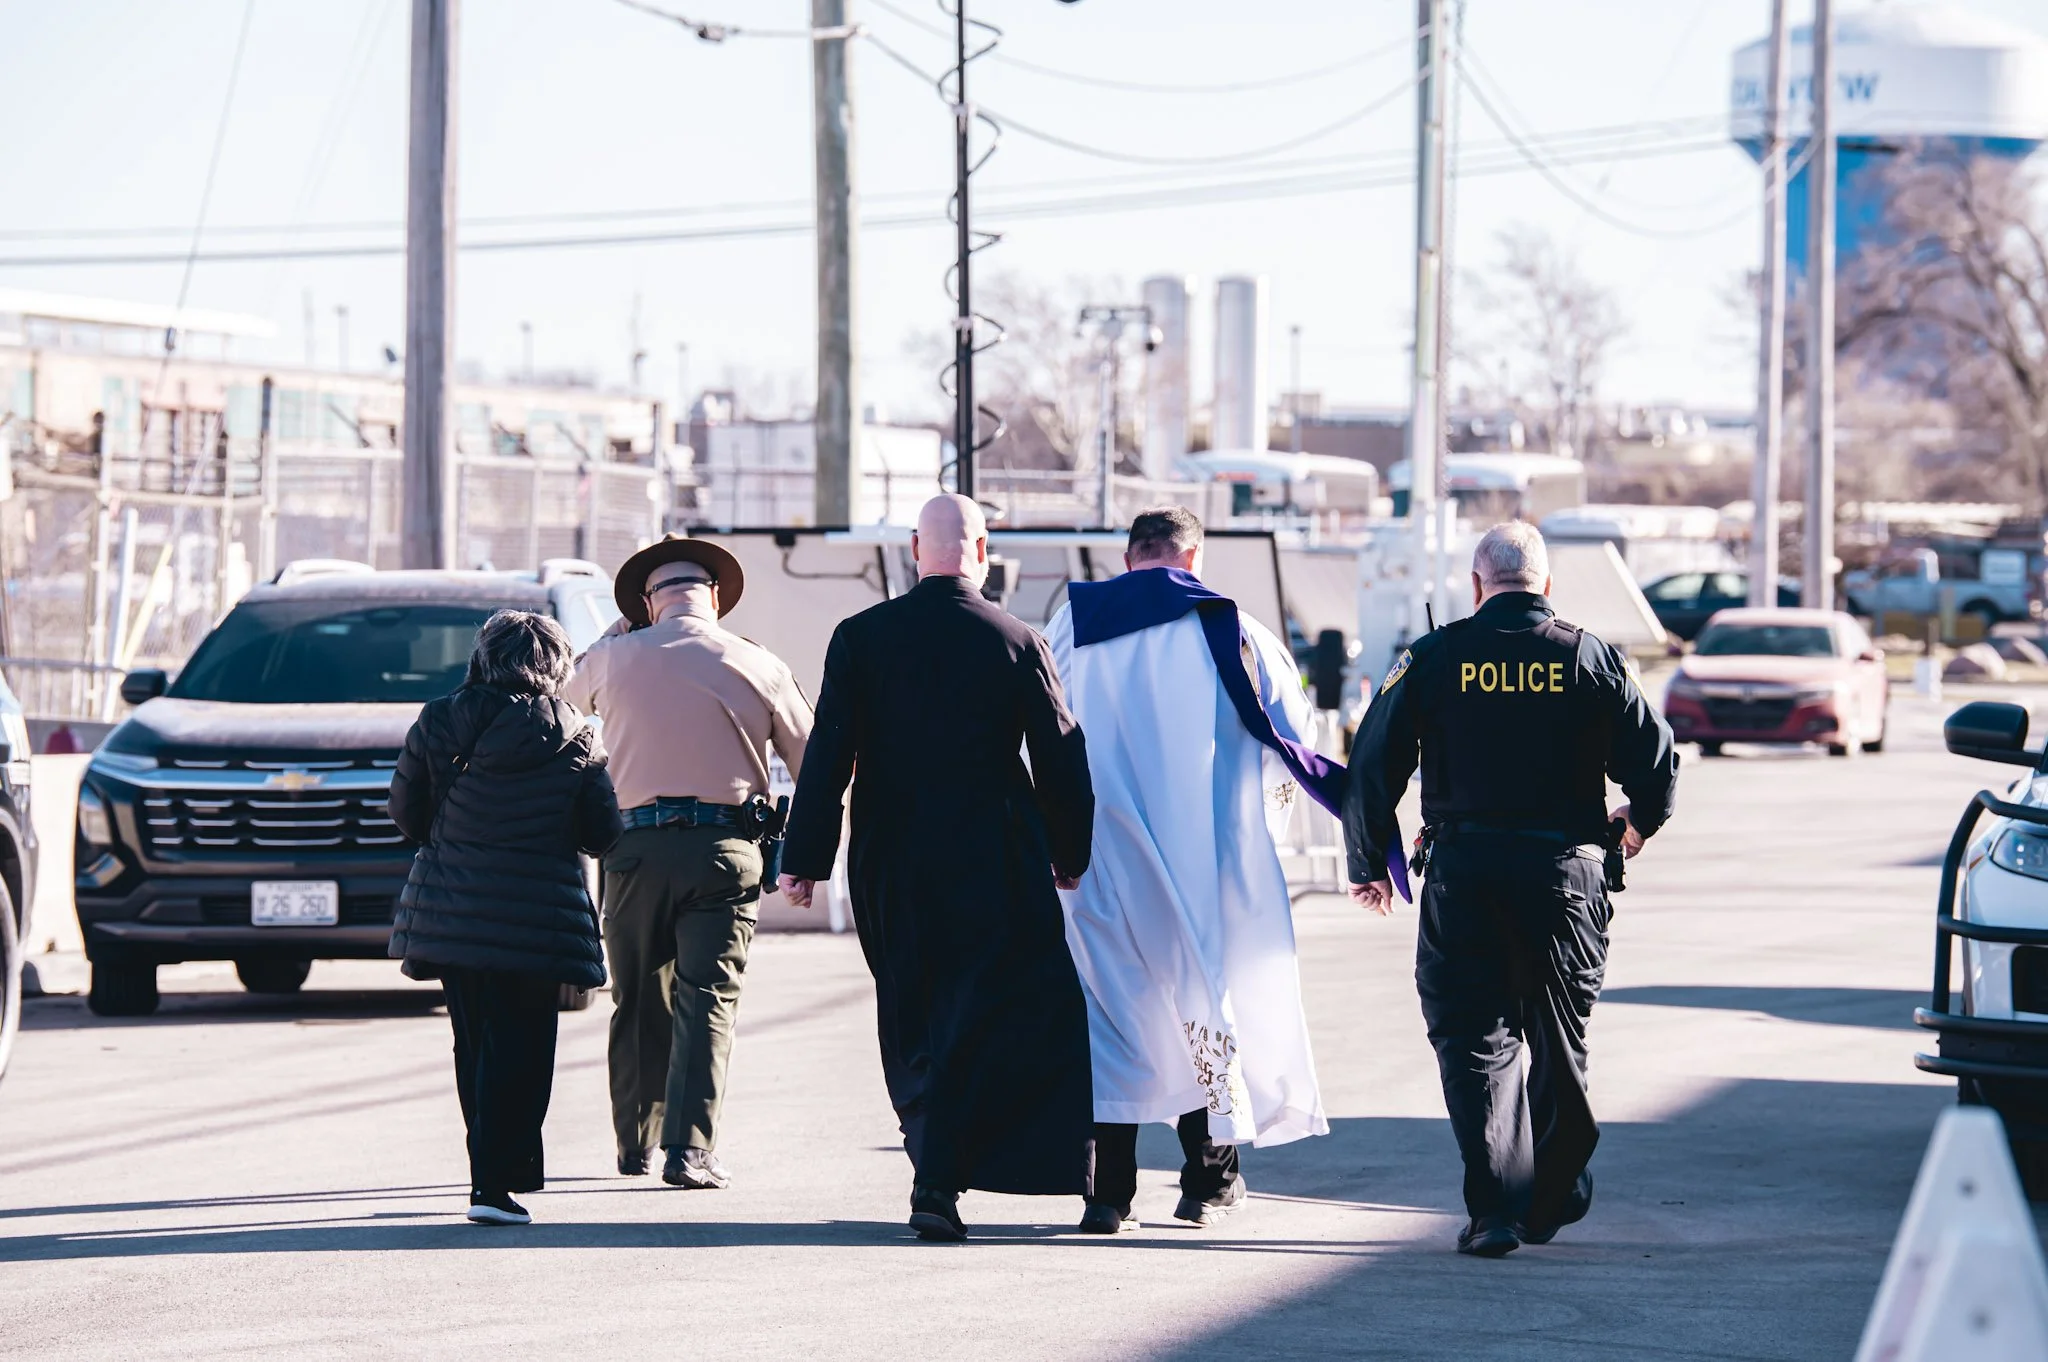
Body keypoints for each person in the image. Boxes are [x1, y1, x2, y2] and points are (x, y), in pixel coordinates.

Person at [1343, 522, 1678, 1258]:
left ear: (1474, 584)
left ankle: (1492, 1209)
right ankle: (1554, 1187)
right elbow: (1655, 757)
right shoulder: (1590, 656)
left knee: (1473, 1042)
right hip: (1566, 877)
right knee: (1558, 1033)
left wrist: (1370, 859)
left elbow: (1372, 761)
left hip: (1466, 877)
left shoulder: (1433, 657)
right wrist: (1639, 821)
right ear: (1547, 585)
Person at [777, 493, 1096, 1243]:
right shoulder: (1017, 640)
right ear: (983, 552)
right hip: (995, 858)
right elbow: (1060, 756)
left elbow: (827, 756)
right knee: (993, 1010)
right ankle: (975, 1173)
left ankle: (935, 1168)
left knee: (912, 1010)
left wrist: (805, 859)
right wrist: (1070, 851)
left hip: (891, 857)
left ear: (918, 549)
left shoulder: (860, 637)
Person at [1044, 507, 1332, 1235]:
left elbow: (1039, 737)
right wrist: (1258, 831)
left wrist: (1054, 844)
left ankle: (1108, 1196)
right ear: (1192, 556)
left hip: (1101, 856)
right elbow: (1294, 739)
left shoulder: (1072, 626)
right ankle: (1207, 1182)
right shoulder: (1234, 626)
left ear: (1129, 555)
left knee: (1111, 1018)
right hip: (1204, 860)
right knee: (1205, 1005)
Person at [565, 535, 812, 1190]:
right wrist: (804, 857)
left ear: (650, 603)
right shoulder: (759, 663)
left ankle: (633, 1143)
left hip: (633, 849)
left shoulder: (613, 657)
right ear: (717, 600)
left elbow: (560, 711)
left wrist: (621, 637)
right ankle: (690, 1149)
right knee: (709, 997)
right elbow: (812, 762)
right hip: (726, 852)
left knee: (637, 995)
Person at [388, 610, 623, 1226]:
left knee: (476, 1045)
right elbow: (602, 834)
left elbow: (407, 813)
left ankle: (486, 1182)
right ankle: (504, 1177)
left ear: (484, 655)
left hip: (455, 911)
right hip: (538, 917)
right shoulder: (577, 734)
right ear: (556, 663)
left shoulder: (440, 719)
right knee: (525, 1048)